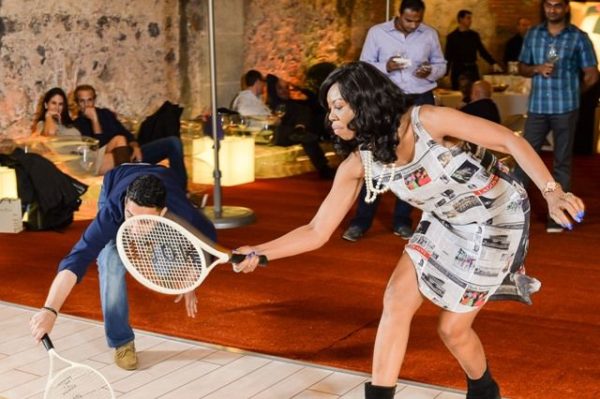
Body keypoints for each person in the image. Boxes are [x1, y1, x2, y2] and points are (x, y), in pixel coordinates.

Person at [232, 61, 585, 399]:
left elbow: (509, 140)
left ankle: (483, 390)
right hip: (445, 218)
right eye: (329, 108)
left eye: (339, 106)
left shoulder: (427, 120)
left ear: (365, 102)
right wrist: (259, 251)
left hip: (495, 217)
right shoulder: (359, 163)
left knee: (451, 329)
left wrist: (553, 194)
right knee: (396, 300)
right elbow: (316, 230)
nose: (332, 116)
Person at [29, 163, 217, 370]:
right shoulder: (113, 210)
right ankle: (122, 342)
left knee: (167, 269)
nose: (134, 228)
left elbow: (209, 242)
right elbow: (77, 258)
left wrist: (192, 275)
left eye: (143, 221)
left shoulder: (182, 212)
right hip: (115, 181)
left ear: (162, 212)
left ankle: (151, 242)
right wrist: (50, 309)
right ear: (126, 202)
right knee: (110, 262)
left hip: (165, 183)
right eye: (131, 216)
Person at [343, 0, 447, 241]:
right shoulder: (377, 32)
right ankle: (361, 221)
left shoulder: (429, 34)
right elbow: (364, 66)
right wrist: (385, 66)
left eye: (417, 21)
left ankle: (402, 221)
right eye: (409, 20)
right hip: (386, 98)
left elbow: (441, 65)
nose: (413, 25)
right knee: (377, 155)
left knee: (414, 158)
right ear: (399, 15)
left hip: (420, 97)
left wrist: (430, 71)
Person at [516, 0, 598, 233]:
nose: (553, 9)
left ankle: (558, 215)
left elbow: (592, 74)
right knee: (524, 158)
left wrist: (574, 93)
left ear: (566, 8)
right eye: (548, 5)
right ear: (543, 7)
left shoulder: (578, 37)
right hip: (538, 107)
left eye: (558, 5)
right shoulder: (533, 34)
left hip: (566, 108)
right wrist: (536, 68)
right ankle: (513, 213)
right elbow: (522, 67)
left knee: (561, 162)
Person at [72, 85, 189, 190]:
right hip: (113, 162)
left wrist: (135, 145)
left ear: (94, 100)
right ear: (77, 103)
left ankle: (182, 191)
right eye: (82, 101)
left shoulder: (105, 114)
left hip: (131, 155)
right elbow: (99, 149)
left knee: (173, 142)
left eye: (89, 100)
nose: (87, 105)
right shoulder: (77, 125)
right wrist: (94, 121)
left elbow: (125, 133)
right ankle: (127, 188)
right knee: (119, 139)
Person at [265, 73, 335, 179]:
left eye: (286, 87)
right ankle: (324, 169)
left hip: (298, 131)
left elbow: (315, 102)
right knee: (306, 135)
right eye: (280, 88)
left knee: (314, 116)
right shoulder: (273, 105)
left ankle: (301, 130)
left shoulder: (292, 102)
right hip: (283, 133)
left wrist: (300, 88)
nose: (284, 91)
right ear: (274, 90)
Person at [445, 10, 503, 90]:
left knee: (475, 92)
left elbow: (482, 51)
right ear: (461, 19)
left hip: (472, 69)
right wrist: (445, 73)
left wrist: (493, 63)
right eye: (468, 18)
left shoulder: (474, 36)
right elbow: (448, 56)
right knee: (458, 94)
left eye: (470, 18)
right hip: (458, 70)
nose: (470, 21)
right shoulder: (452, 37)